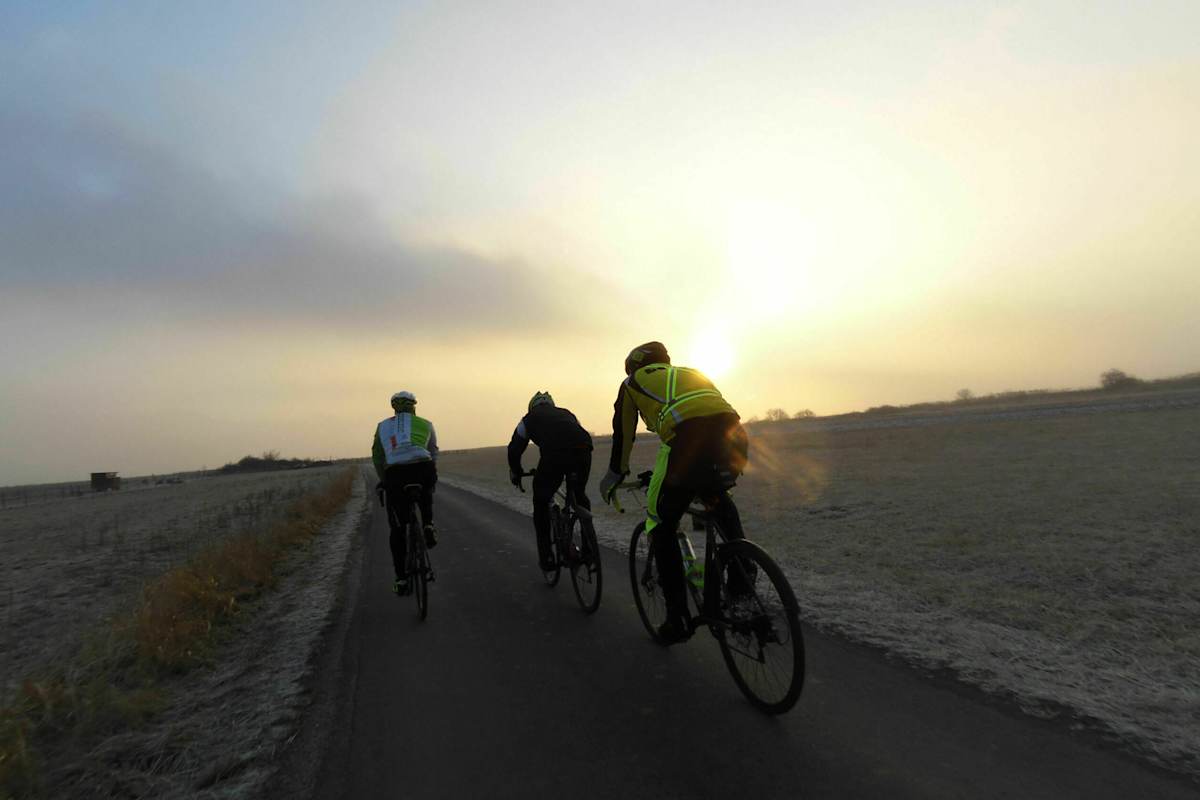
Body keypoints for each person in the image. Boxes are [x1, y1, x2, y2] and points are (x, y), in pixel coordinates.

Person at [598, 342, 749, 644]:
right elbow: (713, 412)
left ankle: (677, 618)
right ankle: (742, 582)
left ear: (633, 366)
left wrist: (615, 475)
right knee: (716, 497)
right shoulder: (690, 372)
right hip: (734, 437)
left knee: (662, 528)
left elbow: (624, 434)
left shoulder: (631, 383)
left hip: (688, 441)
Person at [508, 391, 594, 572]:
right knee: (579, 494)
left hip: (555, 453)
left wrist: (516, 472)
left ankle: (546, 556)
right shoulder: (567, 413)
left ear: (532, 407)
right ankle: (590, 550)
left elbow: (514, 448)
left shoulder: (528, 419)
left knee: (541, 501)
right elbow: (576, 431)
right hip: (584, 447)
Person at [372, 390, 439, 595]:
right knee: (426, 489)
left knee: (397, 529)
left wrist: (384, 481)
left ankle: (401, 579)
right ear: (413, 406)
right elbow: (433, 451)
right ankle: (428, 523)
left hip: (396, 474)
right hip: (423, 467)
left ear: (394, 407)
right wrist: (431, 474)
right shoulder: (426, 424)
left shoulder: (382, 426)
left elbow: (377, 457)